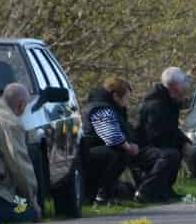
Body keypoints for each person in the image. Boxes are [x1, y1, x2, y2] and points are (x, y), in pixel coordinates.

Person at [0, 83, 42, 224]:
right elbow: (19, 167)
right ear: (21, 105)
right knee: (28, 214)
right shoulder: (9, 123)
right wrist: (32, 201)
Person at [130, 67, 189, 204]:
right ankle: (144, 191)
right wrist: (180, 142)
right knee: (170, 154)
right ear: (174, 86)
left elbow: (172, 128)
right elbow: (156, 135)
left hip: (155, 146)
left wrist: (185, 141)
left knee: (175, 151)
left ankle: (165, 190)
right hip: (142, 148)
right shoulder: (155, 104)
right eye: (182, 83)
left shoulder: (170, 101)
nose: (185, 86)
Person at [80, 77, 142, 205]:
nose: (128, 102)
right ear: (115, 96)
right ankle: (100, 195)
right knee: (120, 154)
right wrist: (129, 147)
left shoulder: (112, 109)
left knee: (121, 153)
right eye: (126, 98)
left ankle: (107, 194)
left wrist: (132, 142)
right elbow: (112, 137)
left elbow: (125, 130)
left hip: (96, 151)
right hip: (89, 154)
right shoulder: (101, 109)